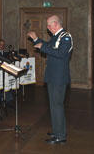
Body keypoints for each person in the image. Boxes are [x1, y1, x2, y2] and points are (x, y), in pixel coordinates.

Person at [27, 15, 73, 144]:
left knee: (57, 106)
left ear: (56, 24)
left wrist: (42, 47)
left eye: (48, 25)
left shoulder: (65, 37)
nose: (47, 27)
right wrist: (36, 39)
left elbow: (60, 53)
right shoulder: (56, 37)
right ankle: (57, 130)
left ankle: (60, 136)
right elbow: (47, 45)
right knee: (53, 106)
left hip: (59, 77)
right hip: (53, 76)